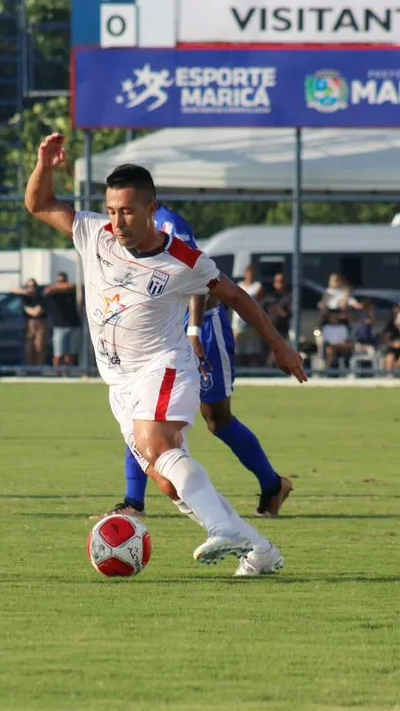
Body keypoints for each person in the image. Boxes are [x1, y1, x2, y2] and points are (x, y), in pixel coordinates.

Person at [26, 133, 307, 577]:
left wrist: (278, 345)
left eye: (128, 211)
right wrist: (44, 162)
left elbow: (237, 297)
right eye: (113, 210)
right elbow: (39, 204)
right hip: (119, 384)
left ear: (152, 210)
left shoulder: (184, 261)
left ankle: (221, 527)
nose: (117, 221)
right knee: (167, 481)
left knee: (161, 448)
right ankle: (260, 550)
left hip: (164, 367)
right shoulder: (93, 233)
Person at [92, 204, 292, 523]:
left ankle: (272, 484)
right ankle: (134, 501)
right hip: (160, 335)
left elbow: (196, 279)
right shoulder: (121, 230)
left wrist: (194, 329)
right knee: (141, 409)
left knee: (218, 418)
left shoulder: (170, 224)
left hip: (204, 326)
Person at [45, 271, 80, 367]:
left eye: (63, 281)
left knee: (71, 353)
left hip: (73, 325)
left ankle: (67, 373)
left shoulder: (72, 291)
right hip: (59, 327)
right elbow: (47, 291)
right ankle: (57, 373)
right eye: (59, 281)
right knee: (58, 354)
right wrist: (57, 287)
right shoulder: (53, 293)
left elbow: (72, 287)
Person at [17, 278, 48, 366]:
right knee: (29, 348)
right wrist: (25, 292)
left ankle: (39, 370)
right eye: (29, 286)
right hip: (29, 324)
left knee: (39, 347)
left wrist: (27, 309)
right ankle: (29, 370)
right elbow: (12, 289)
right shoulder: (25, 298)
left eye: (34, 286)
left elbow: (36, 312)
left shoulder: (41, 297)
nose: (32, 288)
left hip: (40, 323)